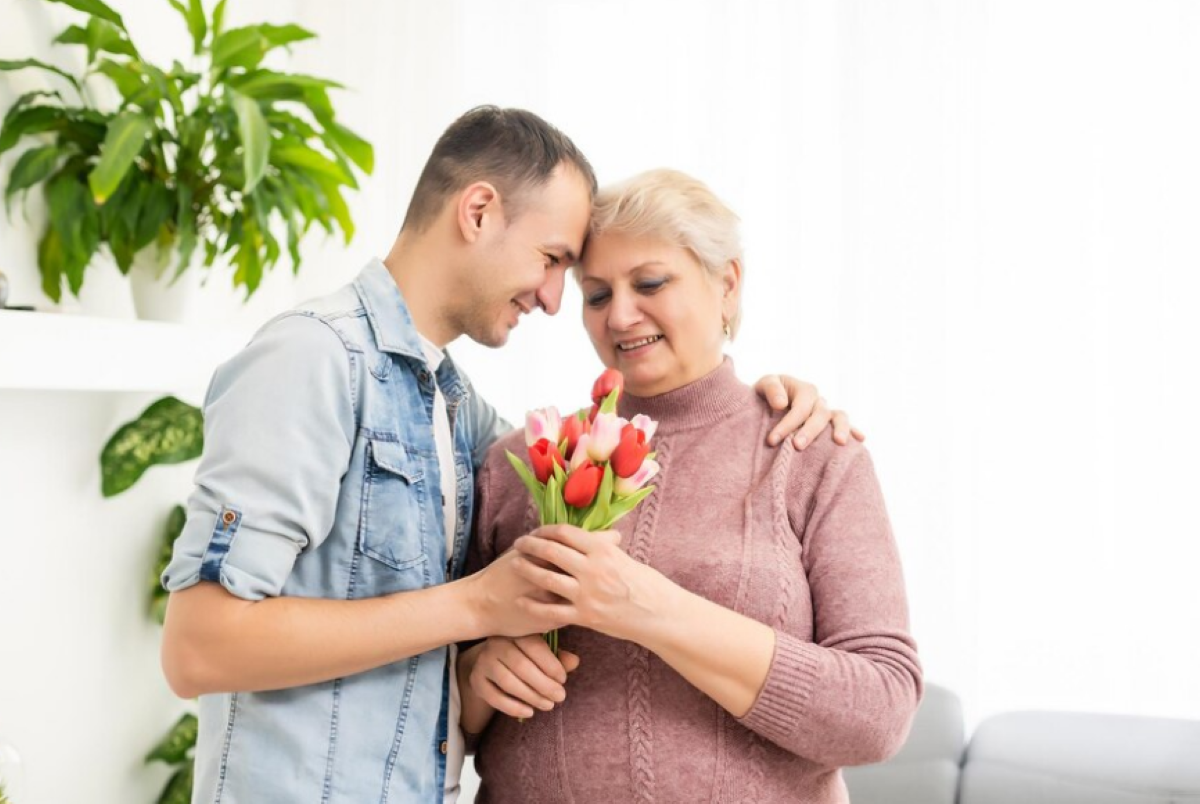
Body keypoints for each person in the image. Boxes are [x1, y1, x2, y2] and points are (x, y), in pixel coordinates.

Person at [159, 108, 858, 803]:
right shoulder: (310, 358)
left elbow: (621, 436)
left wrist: (764, 399)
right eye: (556, 261)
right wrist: (477, 607)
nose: (555, 300)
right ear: (480, 212)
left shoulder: (457, 410)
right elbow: (199, 649)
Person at [461, 168, 921, 803]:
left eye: (650, 283)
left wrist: (650, 609)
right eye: (596, 296)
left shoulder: (810, 455)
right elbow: (422, 706)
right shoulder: (523, 462)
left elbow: (879, 713)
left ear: (727, 283)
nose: (621, 315)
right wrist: (476, 675)